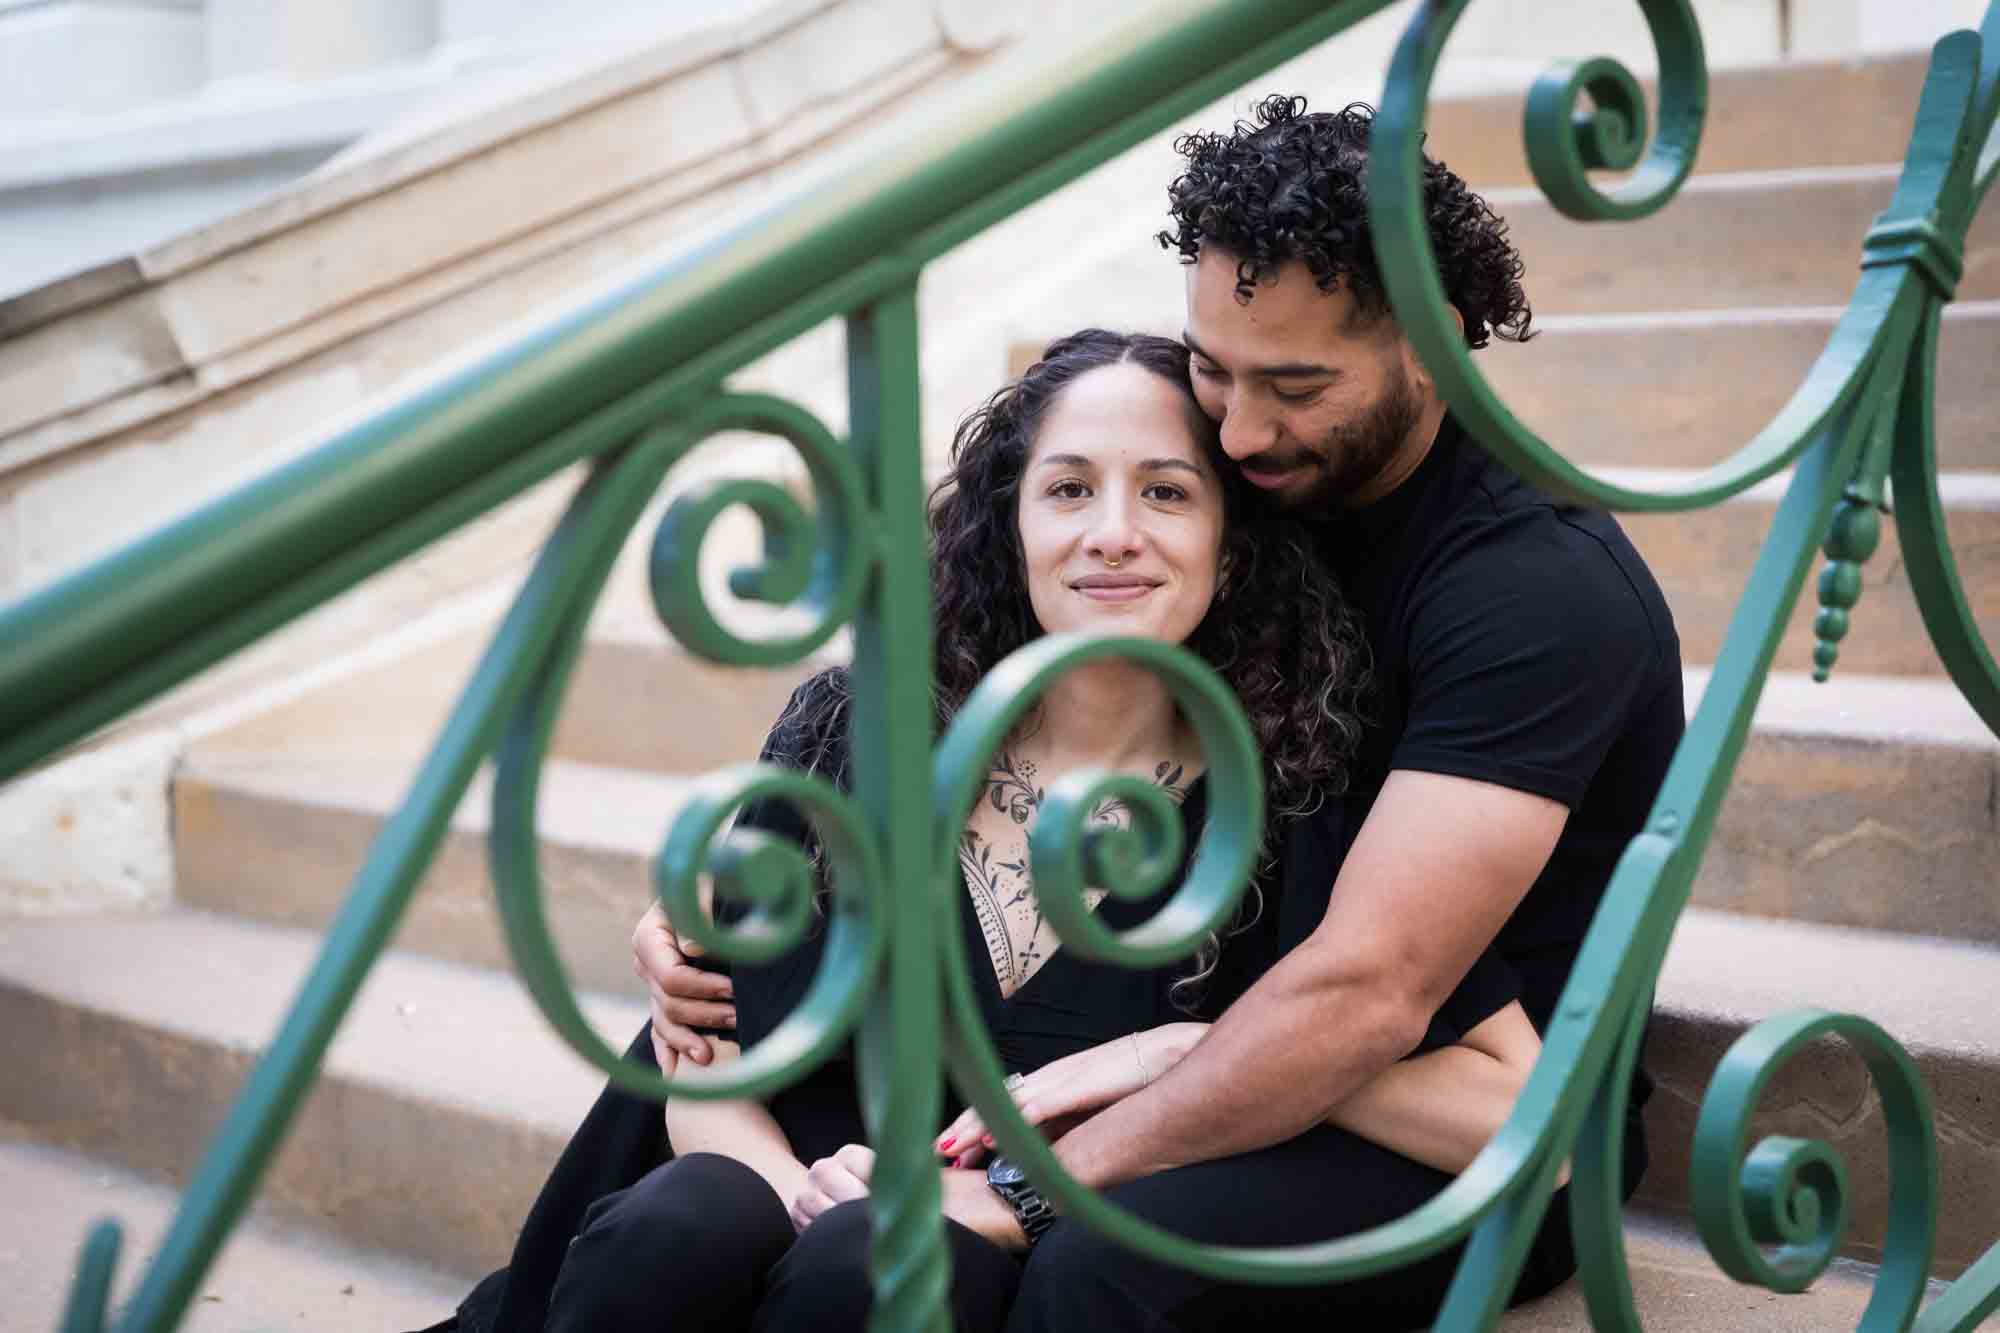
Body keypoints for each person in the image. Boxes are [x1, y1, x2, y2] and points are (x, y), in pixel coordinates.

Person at [635, 96, 1685, 1328]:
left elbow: (1365, 997)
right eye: (1213, 368)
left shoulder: (1533, 592)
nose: (1237, 431)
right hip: (1229, 1012)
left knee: (1086, 1260)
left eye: (1291, 385)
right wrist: (707, 920)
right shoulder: (1284, 480)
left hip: (1464, 1113)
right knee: (708, 1186)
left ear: (1435, 347)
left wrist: (1046, 1170)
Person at [458, 328, 1557, 1333]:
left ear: (1232, 541)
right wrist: (793, 1191)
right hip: (780, 1174)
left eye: (1166, 493)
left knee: (872, 1270)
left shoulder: (1299, 784)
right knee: (670, 1228)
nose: (1111, 535)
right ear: (1010, 522)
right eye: (1067, 488)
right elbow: (705, 1048)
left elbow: (1520, 1120)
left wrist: (1201, 1051)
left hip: (982, 1251)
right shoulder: (860, 730)